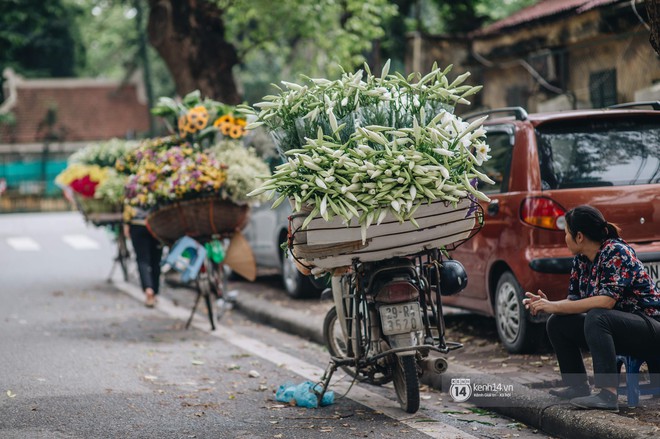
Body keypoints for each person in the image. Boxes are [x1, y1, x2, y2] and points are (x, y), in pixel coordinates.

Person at [523, 205, 660, 411]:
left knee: (597, 317)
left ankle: (607, 395)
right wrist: (549, 305)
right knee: (558, 322)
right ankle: (577, 387)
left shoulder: (615, 251)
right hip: (620, 328)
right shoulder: (581, 260)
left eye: (566, 233)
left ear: (579, 236)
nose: (565, 239)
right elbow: (575, 301)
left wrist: (554, 305)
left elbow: (606, 302)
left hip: (650, 329)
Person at [124, 206, 163, 308]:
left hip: (137, 224)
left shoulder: (131, 191)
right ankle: (155, 291)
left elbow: (127, 205)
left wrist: (126, 224)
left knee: (142, 259)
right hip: (156, 223)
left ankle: (148, 290)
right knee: (156, 260)